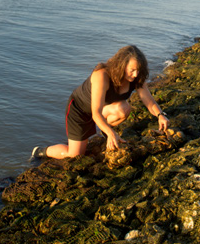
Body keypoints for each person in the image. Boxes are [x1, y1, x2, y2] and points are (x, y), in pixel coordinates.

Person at [32, 45, 169, 159]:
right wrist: (112, 133)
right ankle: (40, 151)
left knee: (124, 108)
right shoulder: (102, 75)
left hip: (100, 110)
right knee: (75, 155)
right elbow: (95, 114)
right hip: (80, 110)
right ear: (122, 65)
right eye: (132, 70)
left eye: (138, 70)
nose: (135, 74)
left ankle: (104, 133)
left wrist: (160, 115)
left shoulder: (137, 78)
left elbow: (149, 101)